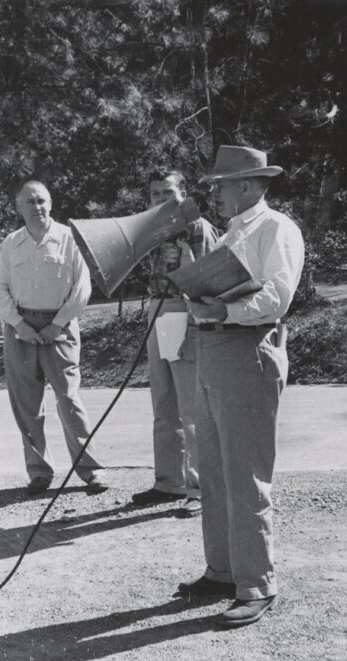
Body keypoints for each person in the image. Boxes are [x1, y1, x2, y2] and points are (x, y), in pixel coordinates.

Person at [178, 146, 305, 627]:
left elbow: (277, 295)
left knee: (246, 472)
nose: (217, 192)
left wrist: (223, 310)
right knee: (211, 467)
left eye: (223, 185)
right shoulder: (233, 231)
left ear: (250, 185)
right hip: (213, 348)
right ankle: (224, 569)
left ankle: (257, 583)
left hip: (248, 349)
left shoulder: (277, 228)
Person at [0, 180, 108, 495]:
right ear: (19, 207)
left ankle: (91, 470)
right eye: (29, 201)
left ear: (51, 204)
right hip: (21, 330)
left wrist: (58, 323)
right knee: (26, 404)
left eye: (42, 200)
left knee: (69, 399)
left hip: (60, 326)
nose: (37, 207)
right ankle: (39, 473)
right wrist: (18, 324)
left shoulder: (69, 239)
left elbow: (82, 286)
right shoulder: (10, 243)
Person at [131, 168, 218, 517]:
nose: (161, 199)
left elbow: (212, 275)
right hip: (159, 311)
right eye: (154, 194)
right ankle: (169, 482)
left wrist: (185, 265)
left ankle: (199, 488)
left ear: (182, 192)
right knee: (164, 402)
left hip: (186, 310)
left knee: (191, 405)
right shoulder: (155, 227)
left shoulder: (198, 227)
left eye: (168, 192)